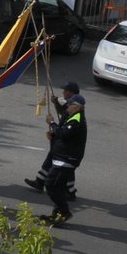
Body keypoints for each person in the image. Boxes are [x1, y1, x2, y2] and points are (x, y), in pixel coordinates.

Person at [25, 82, 83, 198]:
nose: (63, 93)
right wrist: (56, 103)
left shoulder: (75, 109)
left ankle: (69, 191)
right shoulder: (72, 105)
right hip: (63, 143)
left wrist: (52, 124)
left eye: (65, 91)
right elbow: (63, 114)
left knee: (67, 169)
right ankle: (40, 182)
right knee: (51, 159)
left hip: (69, 147)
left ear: (70, 92)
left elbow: (65, 126)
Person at [43, 94, 87, 226]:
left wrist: (51, 123)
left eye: (70, 104)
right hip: (62, 158)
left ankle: (64, 211)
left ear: (77, 107)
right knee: (59, 187)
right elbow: (62, 131)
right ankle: (57, 214)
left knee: (50, 185)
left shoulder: (77, 120)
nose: (67, 106)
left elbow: (64, 133)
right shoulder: (71, 115)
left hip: (66, 160)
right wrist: (53, 134)